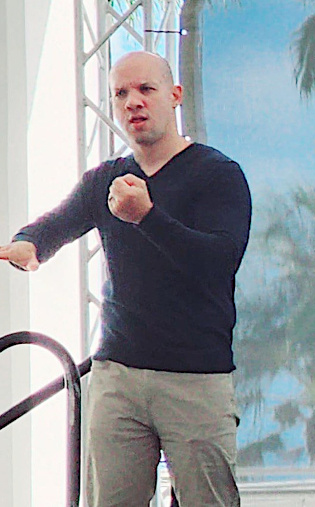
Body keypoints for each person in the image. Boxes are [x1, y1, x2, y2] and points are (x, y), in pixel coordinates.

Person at [0, 51, 251, 506]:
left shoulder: (218, 175)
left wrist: (147, 217)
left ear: (174, 96)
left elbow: (218, 261)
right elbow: (58, 223)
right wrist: (28, 245)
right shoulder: (107, 179)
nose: (133, 102)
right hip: (118, 373)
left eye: (145, 90)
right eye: (120, 93)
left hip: (195, 378)